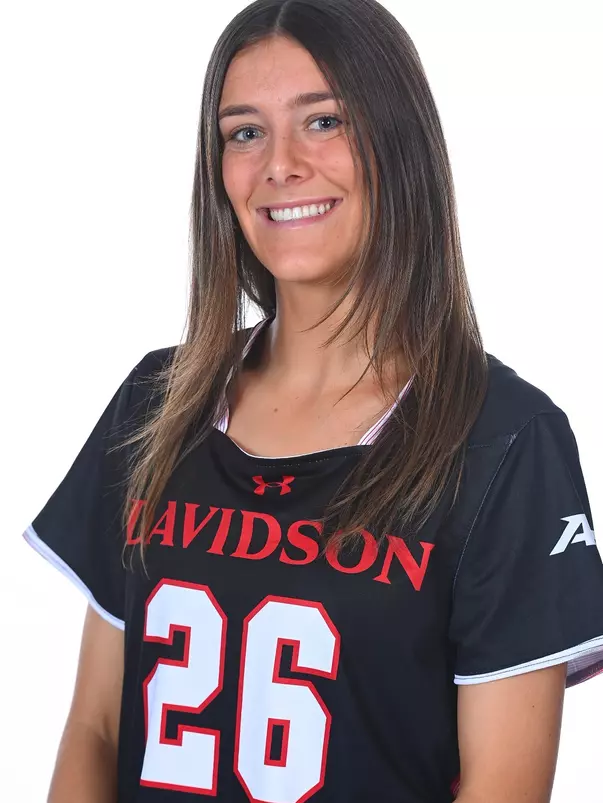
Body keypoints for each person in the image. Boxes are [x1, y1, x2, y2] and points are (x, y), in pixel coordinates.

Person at [22, 1, 603, 802]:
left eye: (323, 121)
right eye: (243, 132)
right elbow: (96, 727)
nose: (279, 165)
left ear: (397, 145)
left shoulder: (502, 440)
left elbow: (503, 783)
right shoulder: (154, 405)